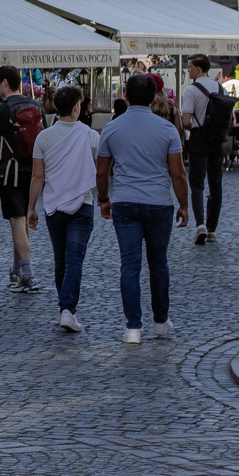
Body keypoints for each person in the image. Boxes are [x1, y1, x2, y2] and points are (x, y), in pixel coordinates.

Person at [96, 73, 189, 344]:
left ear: (125, 96)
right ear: (153, 98)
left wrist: (103, 199)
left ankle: (133, 327)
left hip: (125, 201)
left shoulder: (112, 128)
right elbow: (178, 173)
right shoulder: (167, 129)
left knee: (130, 264)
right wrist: (183, 205)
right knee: (158, 263)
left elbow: (102, 172)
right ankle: (161, 321)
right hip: (159, 202)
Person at [24, 86, 98, 333]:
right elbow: (100, 168)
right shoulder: (89, 136)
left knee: (61, 260)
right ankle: (68, 310)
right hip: (82, 203)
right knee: (74, 259)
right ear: (77, 107)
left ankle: (64, 309)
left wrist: (31, 208)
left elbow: (37, 177)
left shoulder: (43, 138)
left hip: (54, 206)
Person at [0, 66, 43, 293]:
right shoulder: (35, 105)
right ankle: (17, 270)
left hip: (9, 171)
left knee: (17, 220)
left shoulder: (1, 109)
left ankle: (27, 275)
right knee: (24, 218)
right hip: (33, 171)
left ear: (5, 83)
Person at [177, 54, 231, 244]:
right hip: (218, 139)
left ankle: (200, 225)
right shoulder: (219, 87)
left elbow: (185, 121)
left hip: (199, 138)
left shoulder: (191, 90)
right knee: (216, 183)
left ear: (198, 69)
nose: (188, 70)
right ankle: (212, 229)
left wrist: (195, 126)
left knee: (197, 183)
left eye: (190, 67)